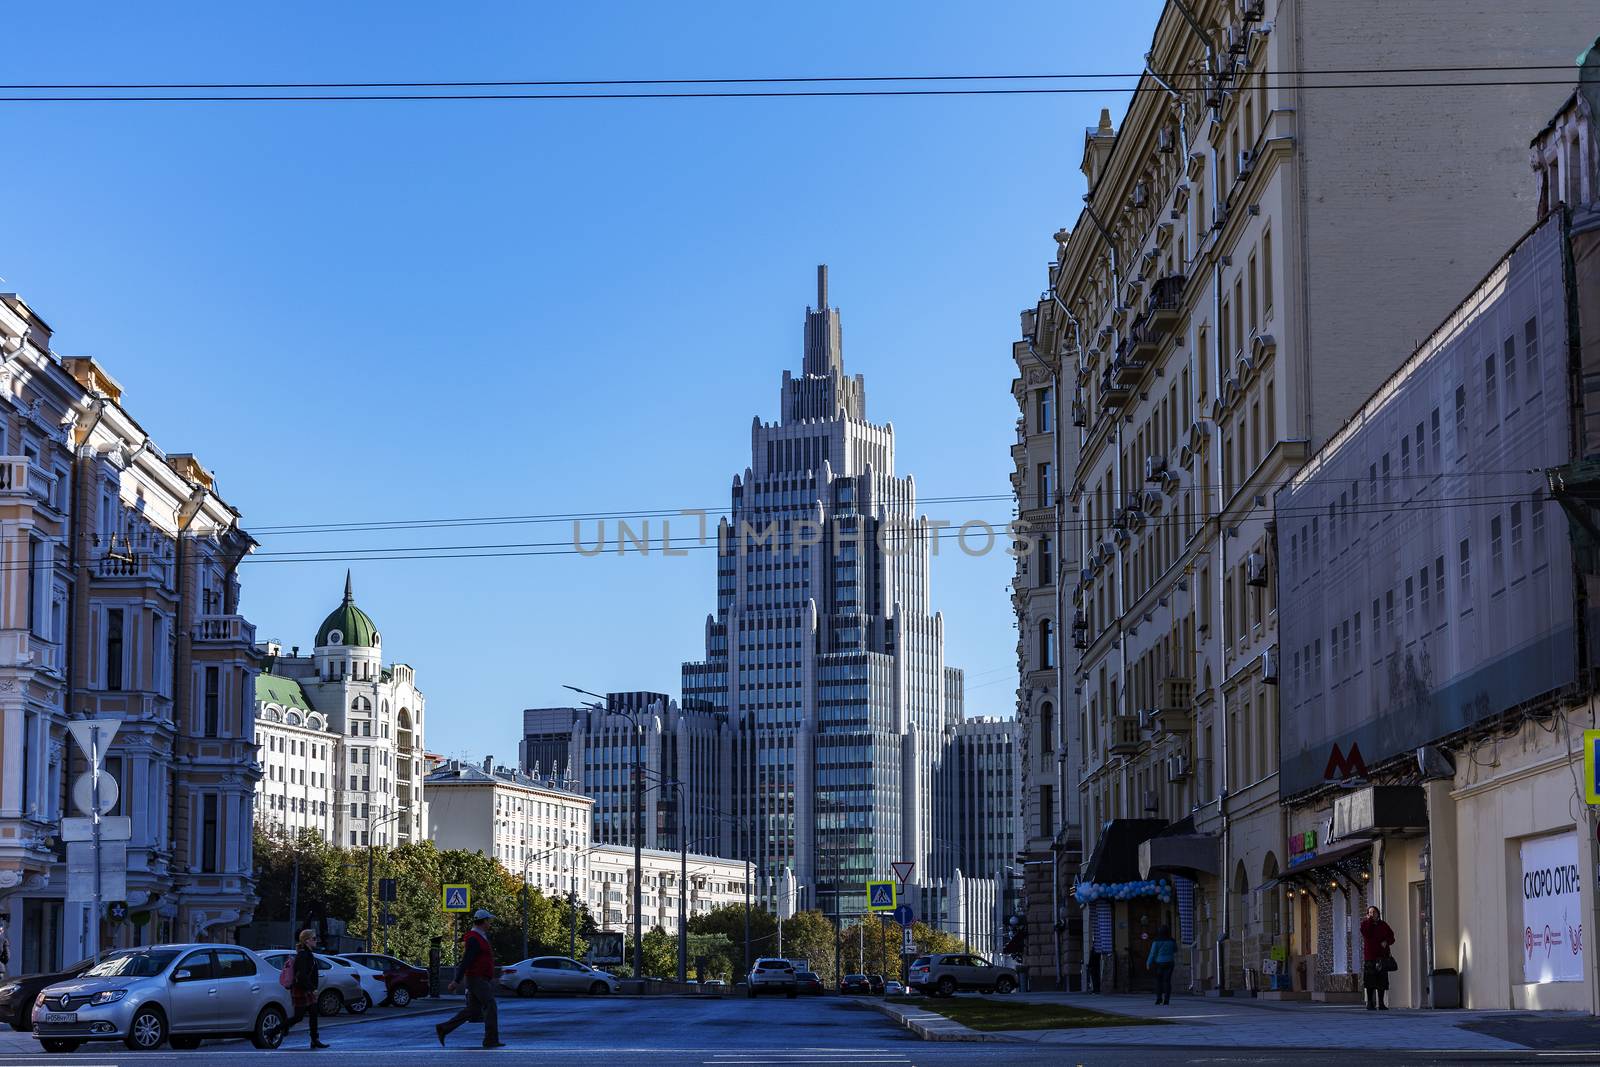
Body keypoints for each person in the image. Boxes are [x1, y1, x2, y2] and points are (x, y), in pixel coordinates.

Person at [436, 909, 504, 1049]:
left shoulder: (480, 936)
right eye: (488, 921)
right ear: (483, 921)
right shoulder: (474, 937)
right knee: (490, 1005)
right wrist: (456, 981)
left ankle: (444, 1028)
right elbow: (466, 960)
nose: (490, 923)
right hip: (477, 978)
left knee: (473, 1010)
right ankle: (490, 1040)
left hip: (478, 978)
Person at [283, 929, 329, 1049]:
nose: (316, 941)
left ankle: (315, 1040)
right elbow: (302, 975)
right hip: (302, 989)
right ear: (307, 940)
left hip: (306, 989)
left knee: (314, 1014)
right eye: (314, 938)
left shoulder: (308, 953)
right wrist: (312, 988)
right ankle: (275, 1030)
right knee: (298, 1017)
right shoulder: (303, 954)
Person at [1360, 905, 1396, 1010]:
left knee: (1382, 981)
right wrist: (1370, 921)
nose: (1372, 914)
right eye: (1370, 913)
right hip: (1370, 957)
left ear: (1378, 914)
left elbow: (1392, 936)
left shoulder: (1383, 925)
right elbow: (1367, 933)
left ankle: (1381, 1003)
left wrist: (1387, 941)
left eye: (1374, 912)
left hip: (1382, 956)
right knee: (1370, 980)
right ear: (1367, 915)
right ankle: (1370, 1002)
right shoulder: (1365, 924)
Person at [1147, 925, 1178, 1005]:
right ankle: (1167, 1000)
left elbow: (1152, 953)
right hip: (1170, 963)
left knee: (1158, 981)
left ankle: (1159, 999)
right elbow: (1175, 950)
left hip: (1159, 963)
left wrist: (1148, 963)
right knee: (1167, 981)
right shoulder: (1172, 940)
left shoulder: (1156, 941)